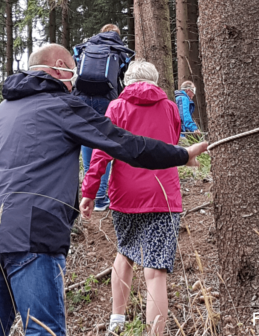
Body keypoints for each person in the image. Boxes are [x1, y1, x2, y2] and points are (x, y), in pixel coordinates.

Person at [0, 44, 207, 336]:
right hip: (33, 236)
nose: (74, 81)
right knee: (43, 330)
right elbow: (124, 143)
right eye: (72, 73)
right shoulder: (62, 106)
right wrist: (181, 155)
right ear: (60, 66)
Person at [80, 60, 184, 336]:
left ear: (127, 81)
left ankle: (117, 319)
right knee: (156, 271)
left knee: (125, 253)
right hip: (164, 193)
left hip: (125, 194)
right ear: (155, 80)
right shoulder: (170, 107)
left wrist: (90, 192)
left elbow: (102, 152)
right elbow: (173, 142)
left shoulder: (116, 107)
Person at [72, 24, 133, 212]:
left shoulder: (85, 47)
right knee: (104, 144)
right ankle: (99, 198)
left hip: (81, 98)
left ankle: (86, 193)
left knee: (86, 140)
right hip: (106, 99)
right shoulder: (120, 50)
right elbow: (122, 76)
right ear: (117, 35)